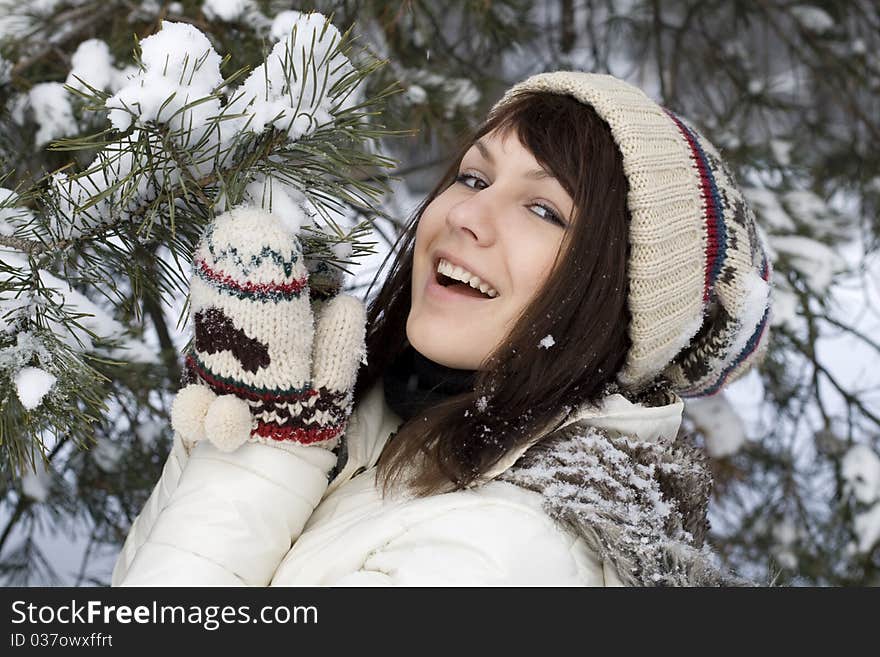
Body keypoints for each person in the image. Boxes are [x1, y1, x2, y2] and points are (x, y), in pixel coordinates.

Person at [112, 71, 772, 587]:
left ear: (621, 302)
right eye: (473, 176)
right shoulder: (356, 409)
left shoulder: (513, 554)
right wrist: (262, 429)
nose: (468, 214)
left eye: (543, 208)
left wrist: (268, 451)